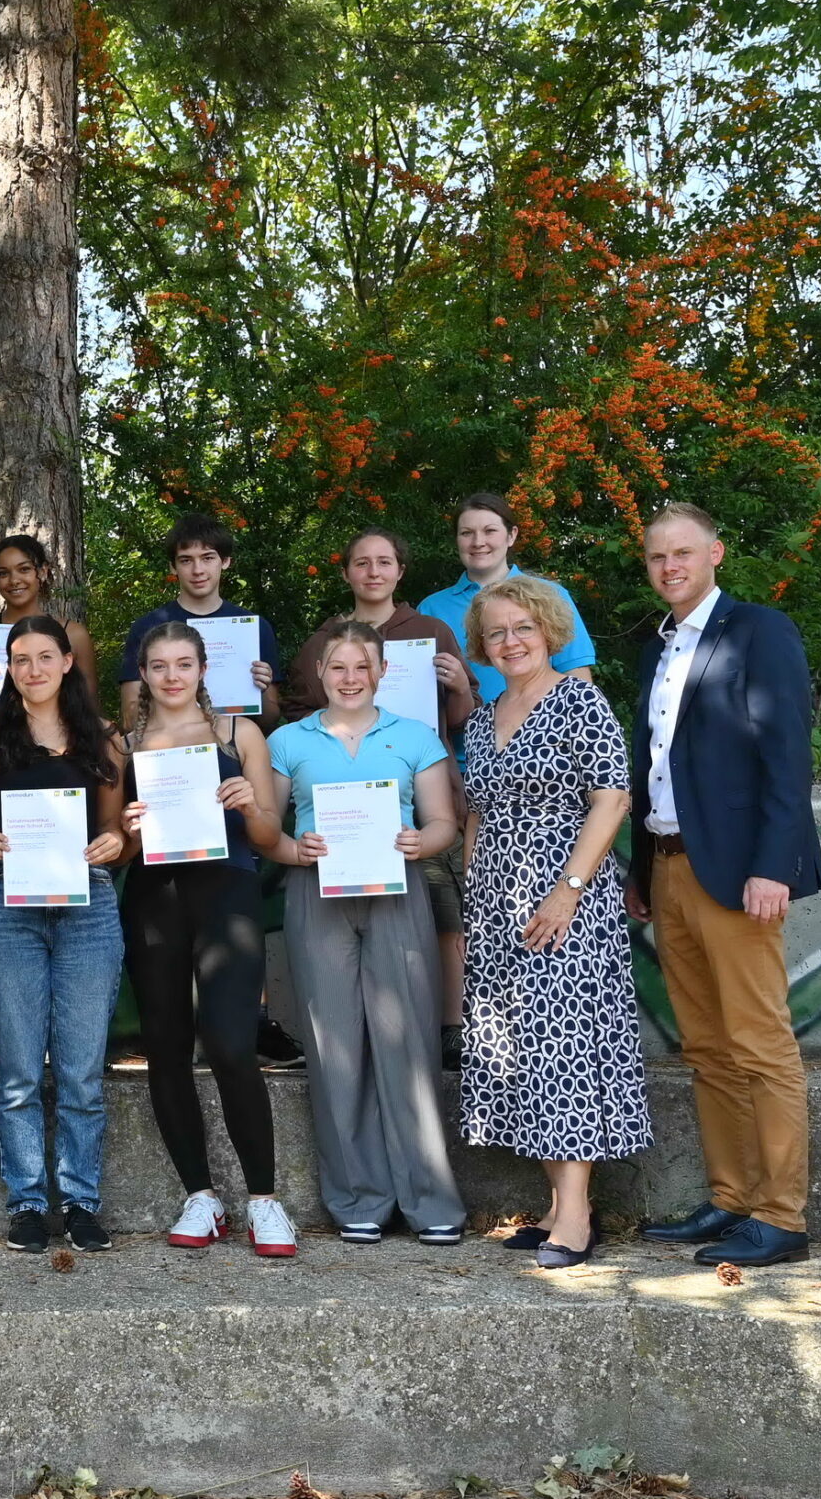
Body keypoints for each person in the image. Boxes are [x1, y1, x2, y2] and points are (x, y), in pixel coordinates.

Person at [628, 505, 821, 1268]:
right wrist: (643, 871)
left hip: (740, 870)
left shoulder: (759, 629)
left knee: (759, 1043)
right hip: (671, 866)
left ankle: (782, 1215)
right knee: (707, 1047)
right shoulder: (658, 647)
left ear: (715, 551)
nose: (669, 566)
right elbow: (656, 766)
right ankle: (733, 1198)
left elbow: (786, 753)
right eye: (655, 556)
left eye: (682, 552)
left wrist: (774, 863)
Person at [456, 577, 650, 1268]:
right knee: (522, 1048)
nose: (510, 641)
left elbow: (612, 798)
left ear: (548, 633)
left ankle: (575, 1214)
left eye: (522, 629)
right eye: (497, 632)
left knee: (563, 1043)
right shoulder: (482, 718)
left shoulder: (578, 699)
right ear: (483, 644)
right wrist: (476, 895)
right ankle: (557, 1203)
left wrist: (566, 891)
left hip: (563, 898)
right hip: (499, 902)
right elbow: (478, 812)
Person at [267, 622, 468, 1247]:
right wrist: (294, 850)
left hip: (398, 889)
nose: (350, 678)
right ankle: (358, 1197)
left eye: (362, 667)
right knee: (335, 1048)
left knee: (408, 1041)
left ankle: (429, 1197)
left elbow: (445, 824)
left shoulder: (414, 736)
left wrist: (421, 840)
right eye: (338, 667)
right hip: (316, 893)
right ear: (319, 673)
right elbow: (267, 829)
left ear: (380, 673)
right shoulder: (286, 740)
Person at [116, 621, 293, 1255]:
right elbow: (112, 845)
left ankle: (265, 1201)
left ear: (201, 669)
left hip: (228, 893)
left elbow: (271, 836)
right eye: (158, 666)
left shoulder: (239, 733)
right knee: (165, 1047)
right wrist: (129, 828)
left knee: (229, 1043)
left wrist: (250, 805)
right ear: (144, 672)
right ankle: (201, 1195)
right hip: (154, 898)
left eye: (183, 665)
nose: (171, 677)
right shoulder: (123, 742)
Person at [0, 615, 129, 1255]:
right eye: (20, 659)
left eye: (44, 657)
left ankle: (82, 1201)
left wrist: (114, 843)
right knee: (20, 1070)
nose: (32, 670)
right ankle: (28, 1203)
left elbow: (118, 834)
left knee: (83, 1070)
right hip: (8, 904)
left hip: (88, 908)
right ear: (8, 667)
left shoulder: (104, 739)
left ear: (67, 663)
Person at [283, 527, 479, 1070]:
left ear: (399, 571)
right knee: (344, 920)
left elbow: (463, 718)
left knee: (440, 911)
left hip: (419, 793)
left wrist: (461, 685)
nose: (373, 572)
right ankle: (355, 1034)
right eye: (361, 562)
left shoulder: (432, 630)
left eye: (384, 562)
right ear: (346, 572)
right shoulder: (323, 637)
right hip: (342, 808)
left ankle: (449, 1028)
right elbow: (297, 714)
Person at [415, 493, 596, 700]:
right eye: (466, 533)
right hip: (460, 731)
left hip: (541, 728)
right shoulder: (430, 609)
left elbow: (577, 679)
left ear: (511, 535)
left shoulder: (551, 596)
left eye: (490, 531)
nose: (478, 542)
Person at [114, 515, 282, 726]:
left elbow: (270, 719)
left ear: (226, 561)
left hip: (236, 748)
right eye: (186, 560)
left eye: (208, 558)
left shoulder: (254, 627)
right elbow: (130, 719)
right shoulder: (148, 627)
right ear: (173, 567)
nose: (198, 570)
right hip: (171, 747)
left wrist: (262, 690)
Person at [0, 535, 101, 725]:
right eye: (3, 573)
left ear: (42, 572)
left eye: (24, 569)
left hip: (59, 746)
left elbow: (90, 710)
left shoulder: (73, 634)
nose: (14, 580)